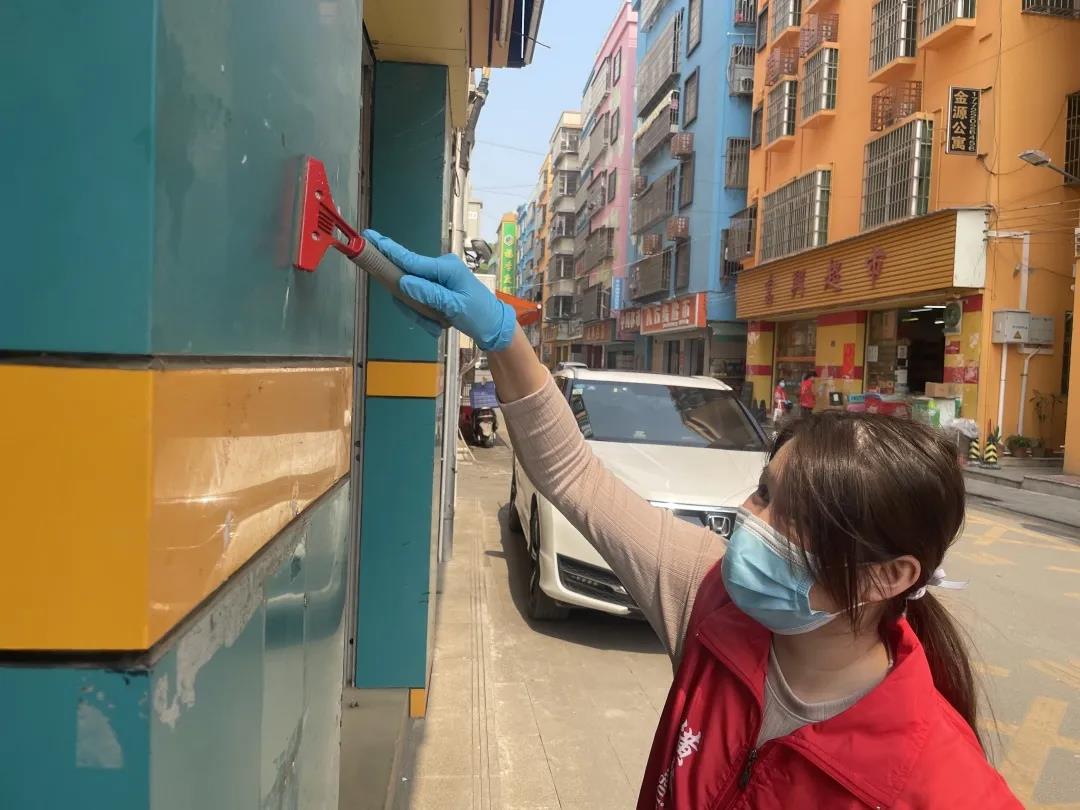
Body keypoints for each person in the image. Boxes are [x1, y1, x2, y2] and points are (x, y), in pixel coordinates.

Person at [364, 231, 1021, 809]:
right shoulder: (712, 602)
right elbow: (573, 474)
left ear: (889, 576)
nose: (749, 520)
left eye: (794, 517)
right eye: (764, 492)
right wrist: (503, 337)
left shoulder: (942, 785)